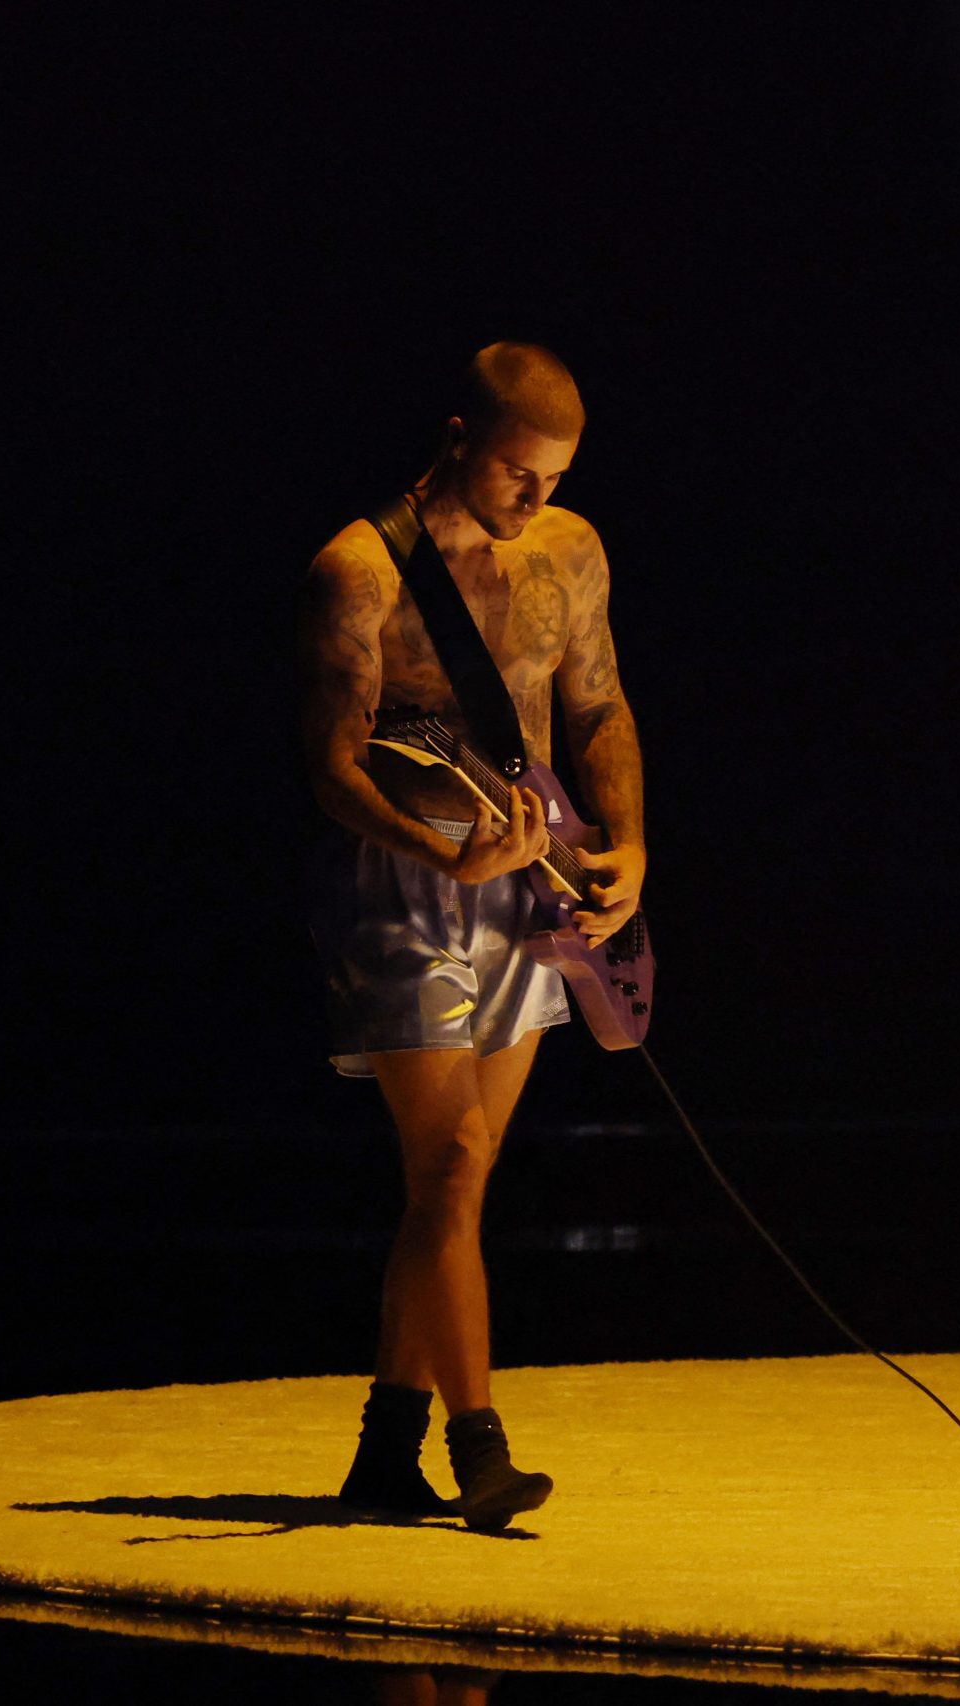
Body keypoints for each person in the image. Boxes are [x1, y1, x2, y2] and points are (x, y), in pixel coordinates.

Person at [297, 343, 646, 1529]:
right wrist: (443, 851)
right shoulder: (358, 569)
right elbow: (332, 765)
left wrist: (629, 847)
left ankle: (383, 1452)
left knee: (457, 1182)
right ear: (458, 438)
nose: (535, 497)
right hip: (402, 884)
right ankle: (480, 1448)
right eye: (515, 471)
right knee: (446, 1162)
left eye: (555, 477)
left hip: (528, 884)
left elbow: (597, 703)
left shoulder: (570, 550)